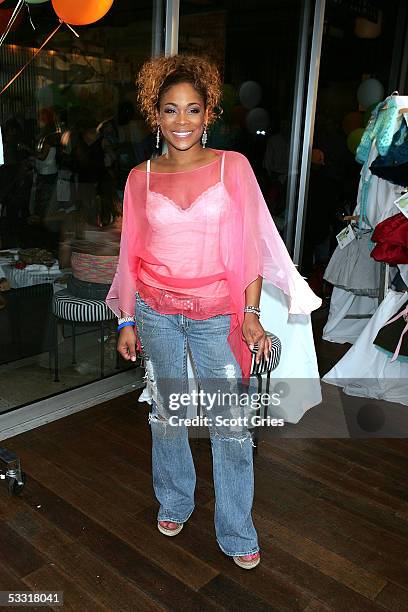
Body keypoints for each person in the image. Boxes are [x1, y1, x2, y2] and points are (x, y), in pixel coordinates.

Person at [106, 54, 321, 570]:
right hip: (155, 313)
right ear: (154, 115)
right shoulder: (141, 177)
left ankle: (235, 528)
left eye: (193, 110)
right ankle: (176, 499)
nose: (182, 121)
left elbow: (248, 247)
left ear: (209, 115)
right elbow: (130, 254)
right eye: (171, 110)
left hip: (214, 315)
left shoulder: (234, 167)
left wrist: (249, 312)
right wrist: (127, 318)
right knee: (167, 416)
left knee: (229, 425)